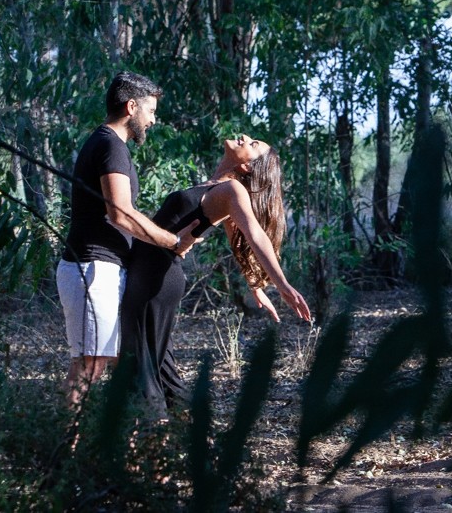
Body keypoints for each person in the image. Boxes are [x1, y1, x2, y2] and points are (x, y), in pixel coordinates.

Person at [120, 133, 313, 417]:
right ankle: (197, 435)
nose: (246, 137)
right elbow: (235, 235)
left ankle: (152, 436)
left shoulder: (234, 190)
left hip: (155, 279)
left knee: (143, 364)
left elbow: (254, 233)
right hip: (152, 275)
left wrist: (281, 284)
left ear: (247, 167)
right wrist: (254, 282)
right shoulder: (219, 187)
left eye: (254, 144)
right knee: (161, 367)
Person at [57, 72, 202, 408]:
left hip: (103, 270)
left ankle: (115, 446)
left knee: (114, 362)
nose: (153, 119)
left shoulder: (108, 144)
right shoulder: (110, 145)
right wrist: (170, 241)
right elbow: (120, 213)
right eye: (150, 110)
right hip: (91, 271)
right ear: (131, 106)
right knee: (89, 367)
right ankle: (64, 452)